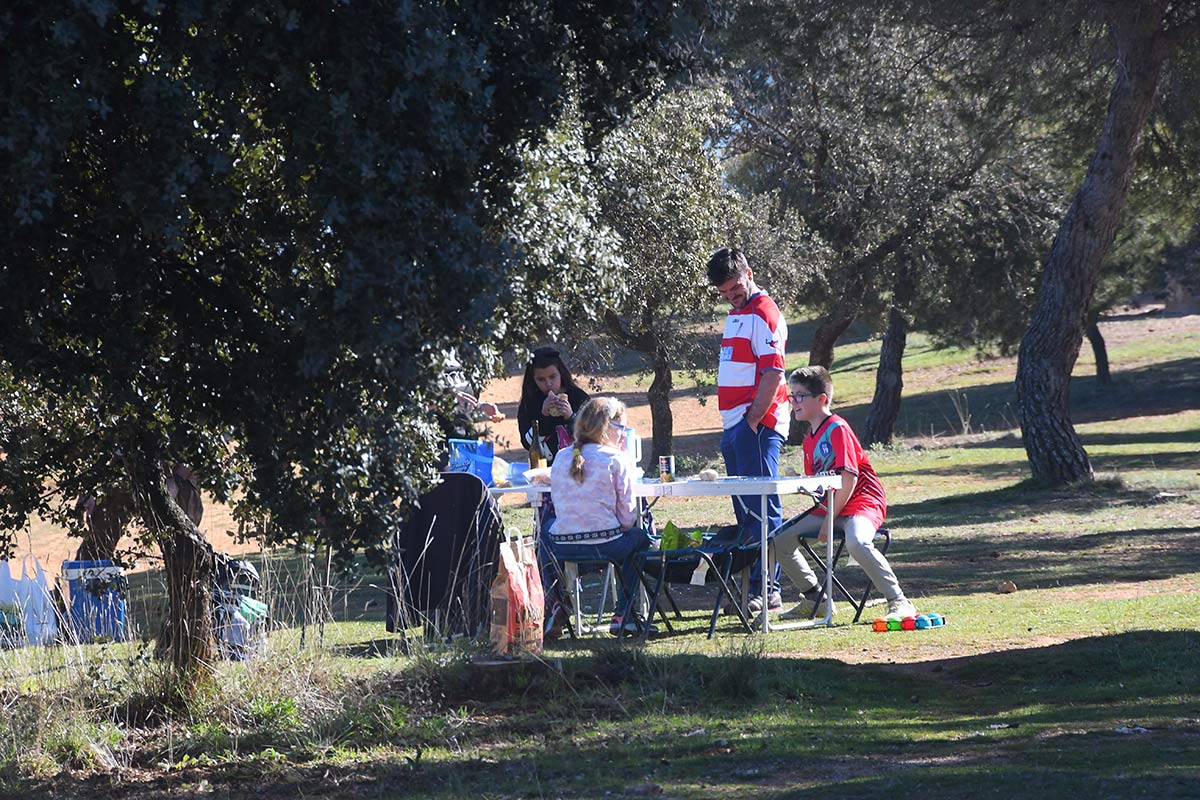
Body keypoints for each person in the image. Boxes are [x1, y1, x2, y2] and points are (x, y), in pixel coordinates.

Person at [773, 366, 917, 620]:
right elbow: (821, 484)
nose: (792, 401)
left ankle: (899, 601)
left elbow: (848, 481)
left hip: (862, 503)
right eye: (791, 395)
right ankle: (815, 599)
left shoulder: (837, 428)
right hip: (832, 506)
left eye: (799, 396)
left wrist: (829, 520)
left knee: (857, 542)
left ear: (822, 399)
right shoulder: (809, 440)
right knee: (778, 540)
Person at [707, 247, 789, 613]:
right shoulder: (736, 313)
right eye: (723, 292)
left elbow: (774, 371)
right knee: (745, 511)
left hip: (756, 425)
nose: (730, 295)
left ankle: (767, 588)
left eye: (734, 288)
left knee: (761, 507)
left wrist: (753, 419)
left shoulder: (763, 312)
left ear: (748, 273)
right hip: (736, 424)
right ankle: (748, 588)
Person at [548, 397, 652, 636]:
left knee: (547, 529)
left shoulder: (562, 458)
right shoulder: (617, 459)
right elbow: (627, 519)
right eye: (623, 429)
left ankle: (557, 602)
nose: (624, 435)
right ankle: (623, 613)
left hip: (563, 548)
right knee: (640, 537)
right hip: (606, 547)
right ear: (609, 428)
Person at [517, 346, 591, 462]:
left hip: (579, 468)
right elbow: (527, 443)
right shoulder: (530, 403)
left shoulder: (579, 398)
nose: (548, 383)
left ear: (561, 373)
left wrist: (571, 417)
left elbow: (593, 437)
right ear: (533, 380)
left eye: (552, 377)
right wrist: (543, 417)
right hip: (547, 470)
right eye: (541, 379)